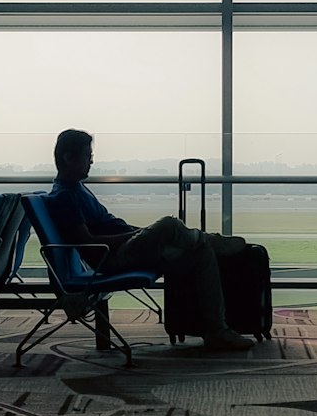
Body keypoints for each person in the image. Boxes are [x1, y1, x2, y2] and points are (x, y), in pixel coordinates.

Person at [47, 128, 254, 351]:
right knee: (169, 224)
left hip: (123, 249)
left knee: (202, 255)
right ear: (69, 158)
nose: (92, 162)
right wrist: (137, 235)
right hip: (111, 258)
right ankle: (212, 240)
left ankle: (217, 330)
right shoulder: (64, 197)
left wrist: (142, 233)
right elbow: (88, 242)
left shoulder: (77, 189)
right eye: (88, 156)